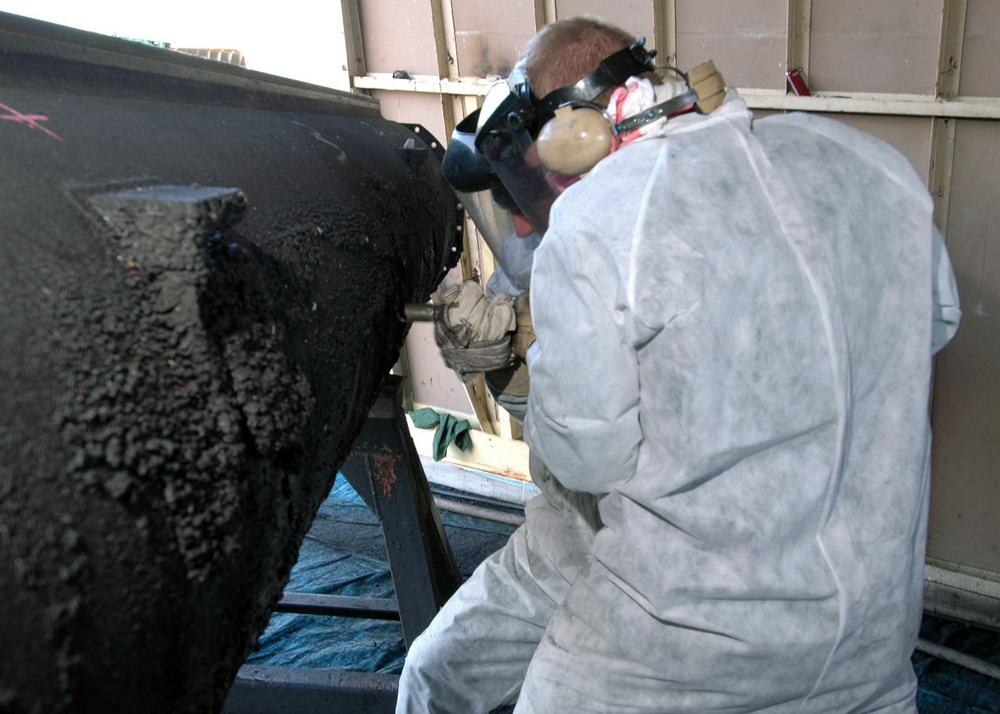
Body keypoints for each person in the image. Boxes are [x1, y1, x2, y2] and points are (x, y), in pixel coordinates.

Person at [398, 15, 962, 713]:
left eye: (528, 177)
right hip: (866, 621)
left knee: (435, 686)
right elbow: (935, 323)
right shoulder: (864, 161)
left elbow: (584, 462)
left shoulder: (599, 218)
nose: (521, 221)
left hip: (679, 625)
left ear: (578, 133)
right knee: (440, 670)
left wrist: (514, 370)